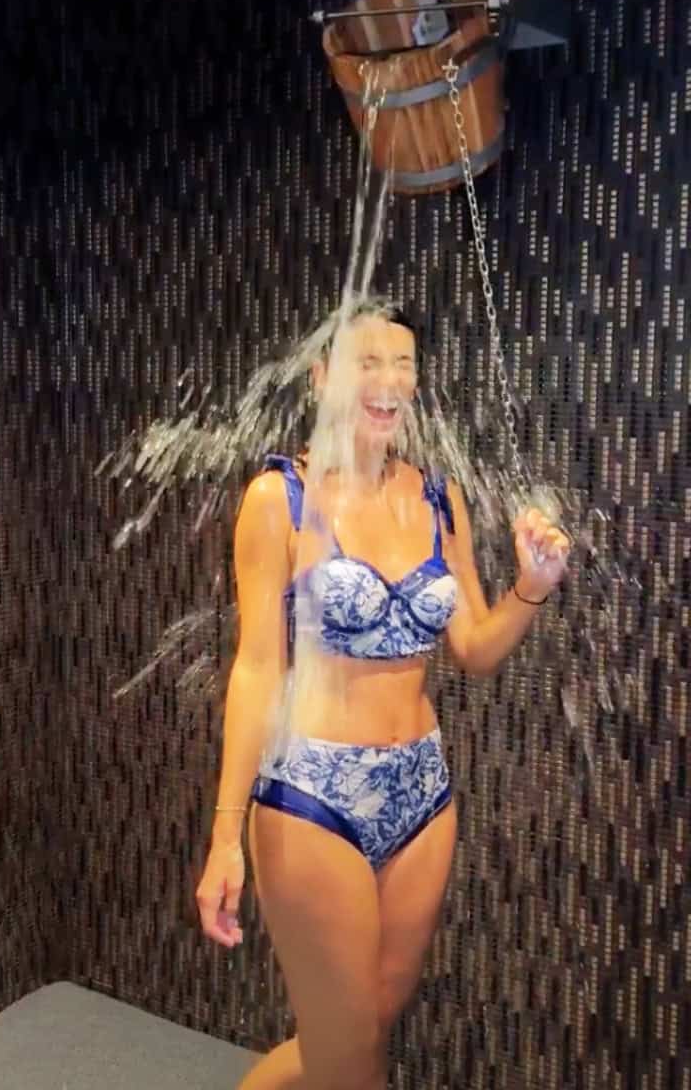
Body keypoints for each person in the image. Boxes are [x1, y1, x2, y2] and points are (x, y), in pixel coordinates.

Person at [196, 303, 570, 1090]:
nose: (390, 381)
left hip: (422, 796)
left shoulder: (440, 500)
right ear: (324, 378)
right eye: (368, 363)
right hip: (311, 792)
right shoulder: (279, 499)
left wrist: (531, 589)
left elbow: (471, 647)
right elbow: (257, 668)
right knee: (349, 1058)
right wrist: (226, 836)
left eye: (403, 365)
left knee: (362, 1033)